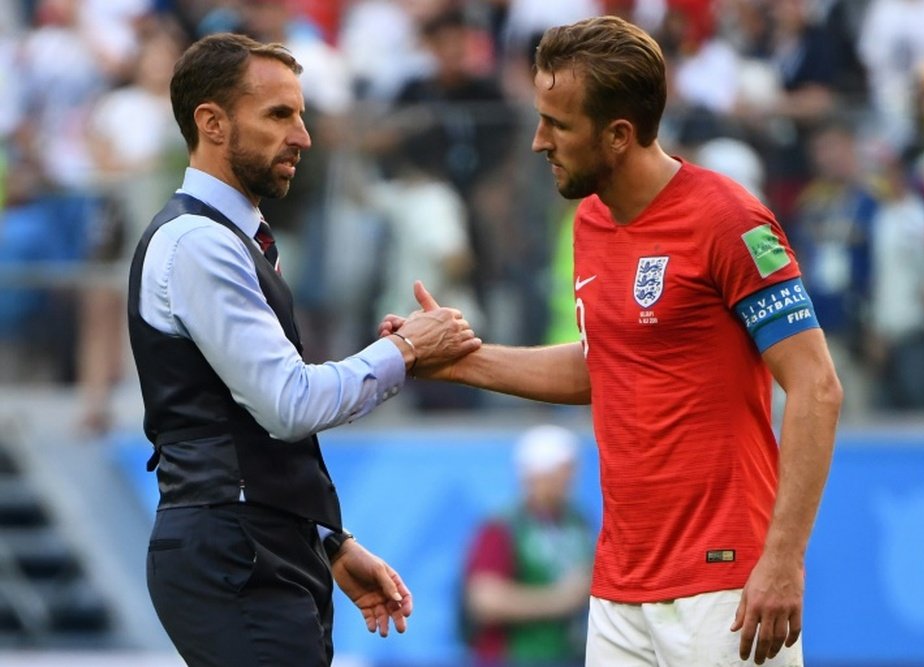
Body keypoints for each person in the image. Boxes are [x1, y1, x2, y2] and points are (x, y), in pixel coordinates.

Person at [383, 16, 842, 667]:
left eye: (558, 125)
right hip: (619, 587)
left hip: (723, 584)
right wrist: (458, 361)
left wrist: (784, 558)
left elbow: (818, 386)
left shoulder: (728, 219)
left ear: (619, 136)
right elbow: (608, 366)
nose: (539, 141)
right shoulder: (592, 219)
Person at [126, 32, 481, 666]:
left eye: (303, 114)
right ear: (211, 123)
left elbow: (251, 430)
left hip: (257, 546)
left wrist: (327, 539)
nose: (304, 136)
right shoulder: (199, 244)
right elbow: (287, 403)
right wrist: (405, 351)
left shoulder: (230, 240)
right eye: (279, 114)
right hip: (234, 554)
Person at [461, 424, 594, 665]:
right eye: (562, 470)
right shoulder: (503, 526)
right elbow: (485, 600)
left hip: (566, 655)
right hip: (514, 656)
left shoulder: (578, 521)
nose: (569, 478)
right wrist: (558, 600)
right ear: (536, 474)